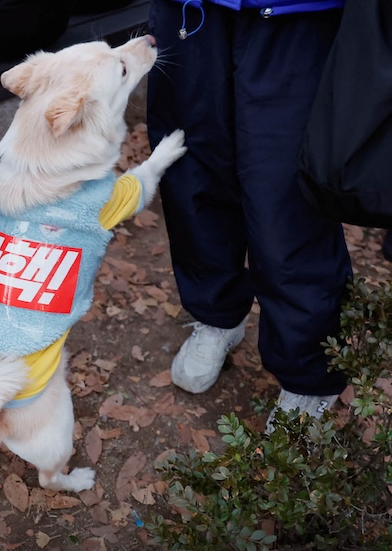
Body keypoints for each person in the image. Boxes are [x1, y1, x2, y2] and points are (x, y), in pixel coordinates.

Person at [146, 0, 353, 430]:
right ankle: (216, 314)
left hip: (297, 13)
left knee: (285, 193)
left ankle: (310, 372)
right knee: (191, 172)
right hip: (192, 11)